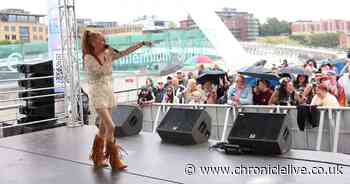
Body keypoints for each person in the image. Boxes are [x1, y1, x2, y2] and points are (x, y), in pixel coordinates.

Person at [82, 30, 152, 169]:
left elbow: (124, 53)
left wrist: (141, 44)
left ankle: (97, 158)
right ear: (92, 42)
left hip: (108, 92)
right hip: (97, 94)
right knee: (111, 126)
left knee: (103, 129)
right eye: (100, 40)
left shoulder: (107, 54)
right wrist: (107, 56)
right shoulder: (89, 58)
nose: (103, 42)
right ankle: (114, 160)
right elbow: (100, 71)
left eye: (103, 40)